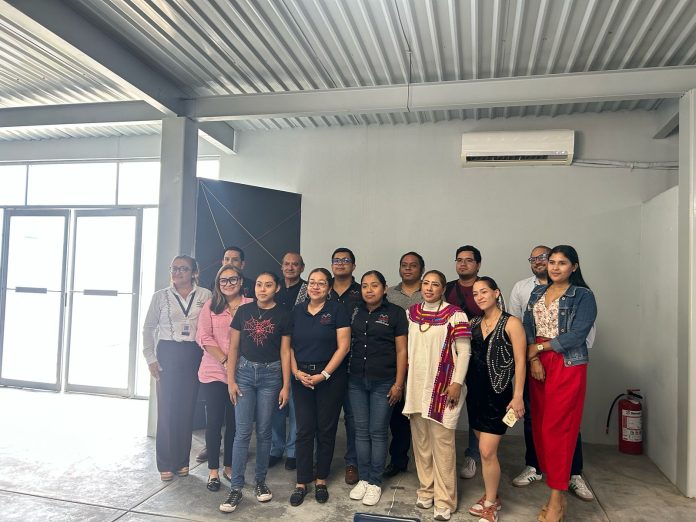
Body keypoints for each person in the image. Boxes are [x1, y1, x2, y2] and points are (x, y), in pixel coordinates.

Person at [510, 246, 595, 501]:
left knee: (560, 426)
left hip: (566, 362)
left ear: (574, 267)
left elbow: (577, 335)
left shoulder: (583, 295)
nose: (555, 267)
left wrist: (539, 348)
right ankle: (547, 475)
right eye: (553, 262)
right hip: (538, 361)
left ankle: (559, 493)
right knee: (540, 424)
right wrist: (534, 357)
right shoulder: (537, 292)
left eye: (562, 262)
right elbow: (527, 326)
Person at [220, 272, 292, 513]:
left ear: (277, 288)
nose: (262, 289)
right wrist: (231, 381)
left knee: (264, 431)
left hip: (271, 376)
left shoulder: (284, 314)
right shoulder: (243, 311)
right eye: (259, 284)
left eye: (268, 285)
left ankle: (260, 481)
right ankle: (236, 487)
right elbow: (233, 348)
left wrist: (286, 385)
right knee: (242, 432)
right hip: (244, 375)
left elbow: (285, 352)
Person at [403, 270, 471, 522]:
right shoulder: (411, 313)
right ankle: (426, 489)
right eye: (426, 283)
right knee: (421, 443)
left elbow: (464, 352)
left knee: (442, 445)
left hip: (443, 387)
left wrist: (457, 383)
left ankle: (444, 500)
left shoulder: (455, 314)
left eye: (435, 285)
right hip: (416, 385)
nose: (429, 288)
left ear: (443, 289)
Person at [142, 255, 211, 482]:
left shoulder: (205, 295)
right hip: (168, 352)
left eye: (183, 269)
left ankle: (182, 461)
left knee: (187, 408)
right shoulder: (160, 296)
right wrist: (150, 358)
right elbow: (148, 328)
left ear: (194, 272)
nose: (177, 272)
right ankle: (165, 462)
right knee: (167, 409)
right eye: (174, 268)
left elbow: (209, 326)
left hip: (193, 353)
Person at [465, 277, 526, 522]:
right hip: (475, 396)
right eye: (475, 293)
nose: (479, 297)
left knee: (487, 451)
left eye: (484, 292)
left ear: (496, 293)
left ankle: (491, 504)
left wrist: (518, 395)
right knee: (485, 452)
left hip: (498, 396)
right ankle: (491, 495)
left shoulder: (511, 323)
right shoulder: (473, 323)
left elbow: (521, 362)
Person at [288, 268, 351, 506]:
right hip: (302, 376)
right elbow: (289, 346)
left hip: (330, 377)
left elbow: (343, 347)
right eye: (312, 283)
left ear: (329, 288)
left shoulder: (337, 310)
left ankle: (321, 479)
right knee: (304, 429)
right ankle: (301, 481)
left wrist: (324, 375)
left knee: (326, 429)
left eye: (321, 283)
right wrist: (296, 372)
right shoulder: (297, 311)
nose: (315, 287)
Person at [348, 271, 408, 506]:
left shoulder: (395, 313)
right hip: (356, 380)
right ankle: (364, 478)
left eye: (374, 285)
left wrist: (398, 384)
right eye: (365, 286)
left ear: (384, 288)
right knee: (361, 431)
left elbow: (402, 351)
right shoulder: (355, 311)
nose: (369, 290)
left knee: (378, 431)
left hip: (384, 381)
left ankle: (375, 481)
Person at [196, 264, 253, 491]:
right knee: (213, 423)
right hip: (213, 372)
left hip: (242, 374)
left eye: (232, 279)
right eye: (223, 280)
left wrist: (235, 365)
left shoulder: (251, 305)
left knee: (234, 424)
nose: (228, 284)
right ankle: (213, 471)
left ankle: (229, 466)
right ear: (218, 284)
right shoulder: (211, 306)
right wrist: (225, 361)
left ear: (241, 281)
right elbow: (203, 337)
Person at [384, 251, 425, 477]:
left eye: (413, 265)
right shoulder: (389, 294)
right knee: (397, 415)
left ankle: (425, 464)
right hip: (395, 360)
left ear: (422, 269)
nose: (408, 268)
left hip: (423, 362)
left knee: (421, 416)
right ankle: (398, 460)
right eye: (404, 265)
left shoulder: (429, 292)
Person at [444, 245, 483, 480]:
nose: (463, 264)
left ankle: (473, 455)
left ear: (478, 264)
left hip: (479, 356)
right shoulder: (448, 288)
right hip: (451, 357)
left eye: (469, 260)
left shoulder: (485, 286)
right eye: (459, 260)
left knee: (476, 408)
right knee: (446, 404)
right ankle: (444, 454)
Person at [270, 252, 307, 471]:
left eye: (295, 264)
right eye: (287, 264)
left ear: (302, 268)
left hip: (299, 353)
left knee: (295, 407)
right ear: (281, 267)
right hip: (273, 353)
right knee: (276, 405)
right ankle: (276, 448)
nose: (290, 267)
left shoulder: (308, 290)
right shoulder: (274, 288)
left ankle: (293, 451)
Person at [329, 247, 362, 485]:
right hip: (324, 362)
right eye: (336, 260)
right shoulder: (321, 288)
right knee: (326, 417)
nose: (340, 263)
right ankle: (322, 461)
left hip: (354, 363)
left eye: (345, 260)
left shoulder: (362, 291)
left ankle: (352, 462)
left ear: (353, 265)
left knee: (352, 417)